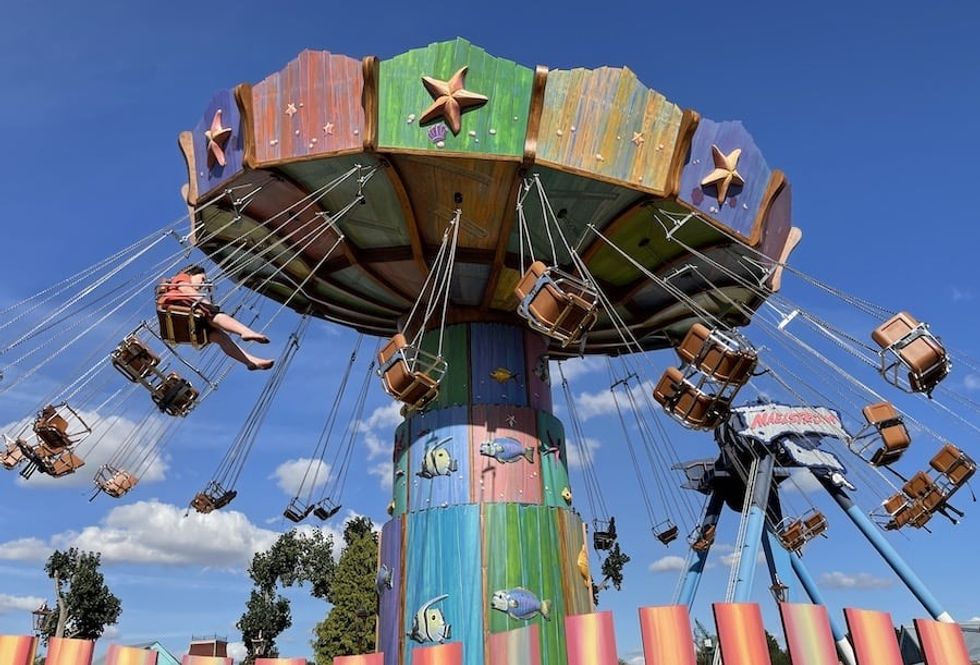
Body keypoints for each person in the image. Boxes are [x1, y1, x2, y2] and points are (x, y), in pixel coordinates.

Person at [157, 265, 274, 371]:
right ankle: (246, 332)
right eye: (202, 279)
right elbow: (185, 289)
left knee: (221, 337)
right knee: (216, 316)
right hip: (178, 306)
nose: (202, 284)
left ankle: (250, 361)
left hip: (183, 324)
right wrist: (208, 304)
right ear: (191, 274)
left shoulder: (184, 284)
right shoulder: (182, 277)